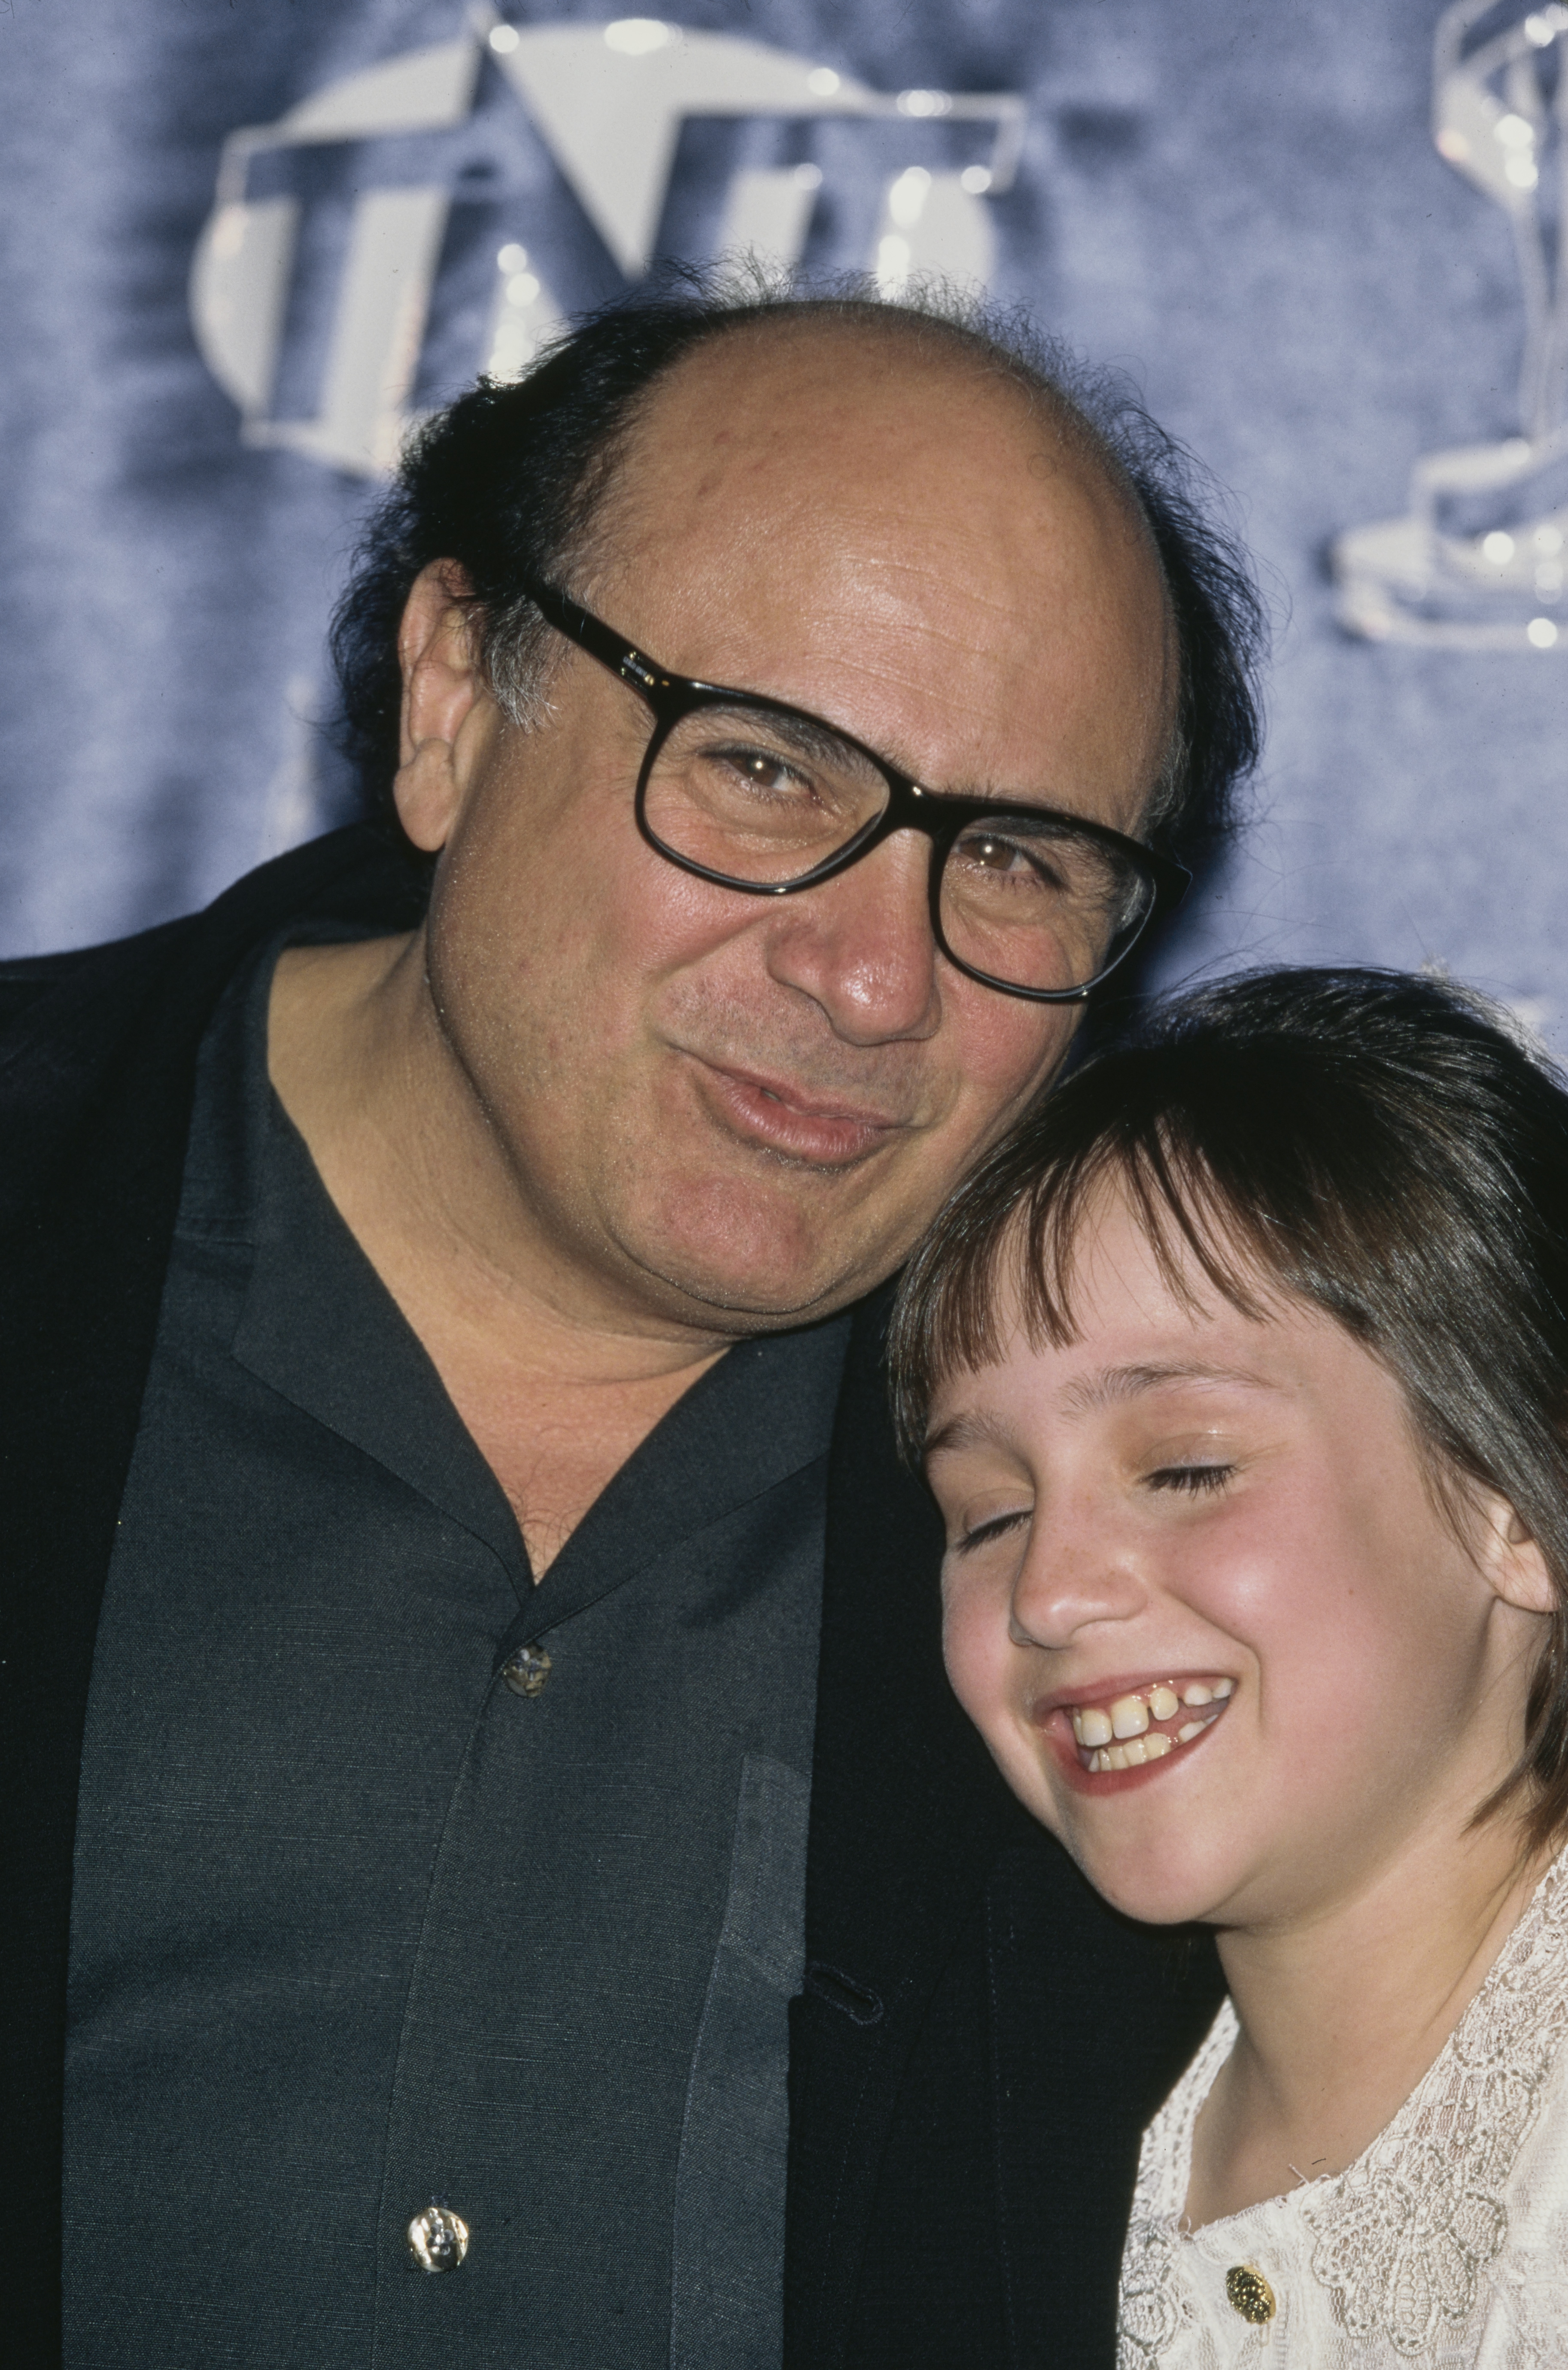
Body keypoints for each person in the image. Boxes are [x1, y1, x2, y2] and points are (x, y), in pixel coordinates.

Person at [0, 280, 1264, 2370]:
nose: (875, 981)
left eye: (1020, 858)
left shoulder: (1211, 1501)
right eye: (766, 768)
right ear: (447, 698)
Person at [890, 965, 1568, 2366]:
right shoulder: (1005, 2155)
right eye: (989, 1515)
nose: (1053, 1593)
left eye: (1185, 1468)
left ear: (1519, 1499)